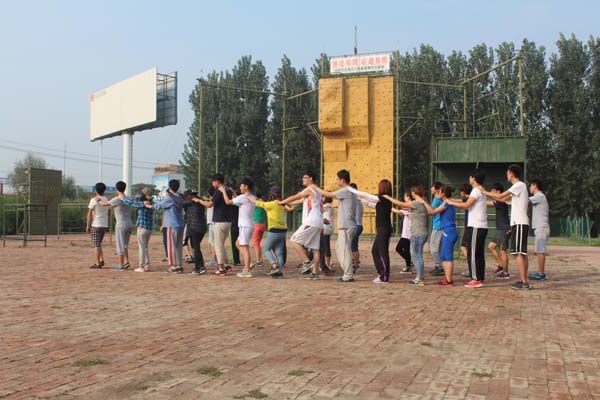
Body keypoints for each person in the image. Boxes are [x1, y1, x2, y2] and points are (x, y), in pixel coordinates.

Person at [482, 165, 530, 290]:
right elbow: (503, 199)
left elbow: (500, 196)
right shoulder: (519, 188)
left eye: (508, 173)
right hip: (519, 223)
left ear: (511, 173)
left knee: (518, 253)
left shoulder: (518, 185)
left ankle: (524, 282)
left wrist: (484, 192)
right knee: (522, 253)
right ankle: (523, 280)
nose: (507, 175)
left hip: (519, 223)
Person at [311, 170, 358, 283]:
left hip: (346, 226)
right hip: (348, 225)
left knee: (344, 250)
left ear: (342, 180)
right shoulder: (351, 191)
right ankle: (348, 272)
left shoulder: (346, 190)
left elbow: (329, 194)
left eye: (337, 179)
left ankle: (348, 275)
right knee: (340, 248)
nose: (337, 181)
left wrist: (315, 187)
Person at [279, 170, 324, 280]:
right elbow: (298, 201)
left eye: (305, 177)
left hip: (311, 221)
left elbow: (295, 196)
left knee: (294, 240)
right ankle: (315, 273)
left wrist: (281, 202)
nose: (303, 179)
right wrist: (284, 203)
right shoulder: (317, 192)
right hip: (318, 222)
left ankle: (307, 262)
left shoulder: (309, 189)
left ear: (311, 178)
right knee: (315, 249)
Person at [447, 171, 488, 288]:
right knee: (479, 254)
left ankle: (475, 278)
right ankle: (480, 277)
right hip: (481, 226)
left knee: (473, 254)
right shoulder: (481, 190)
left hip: (476, 226)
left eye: (470, 177)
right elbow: (465, 202)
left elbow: (466, 205)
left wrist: (450, 202)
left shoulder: (476, 190)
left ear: (473, 178)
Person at [384, 186, 428, 285]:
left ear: (414, 193)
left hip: (417, 233)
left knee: (416, 256)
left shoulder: (416, 203)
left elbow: (400, 204)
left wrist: (388, 198)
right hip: (421, 233)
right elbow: (402, 207)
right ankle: (420, 277)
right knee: (418, 256)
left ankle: (419, 278)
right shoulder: (422, 202)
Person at [351, 180, 394, 283]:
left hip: (384, 229)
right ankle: (381, 273)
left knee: (382, 252)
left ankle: (384, 277)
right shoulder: (381, 201)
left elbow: (369, 197)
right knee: (375, 251)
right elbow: (369, 203)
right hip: (381, 229)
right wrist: (358, 200)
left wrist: (356, 192)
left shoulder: (385, 198)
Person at [417, 185, 458, 286]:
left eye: (438, 192)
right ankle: (447, 278)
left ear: (443, 194)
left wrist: (424, 202)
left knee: (448, 257)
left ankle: (449, 281)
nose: (437, 193)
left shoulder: (447, 203)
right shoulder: (446, 202)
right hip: (446, 230)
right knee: (443, 256)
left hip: (449, 231)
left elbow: (432, 212)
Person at [246, 186, 288, 278]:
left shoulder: (271, 204)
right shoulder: (282, 204)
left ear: (272, 194)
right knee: (279, 252)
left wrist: (248, 197)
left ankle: (274, 265)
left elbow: (257, 202)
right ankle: (279, 272)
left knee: (266, 249)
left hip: (274, 230)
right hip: (283, 231)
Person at [221, 178, 256, 278]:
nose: (240, 187)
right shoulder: (251, 197)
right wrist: (233, 192)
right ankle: (248, 263)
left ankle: (247, 270)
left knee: (244, 247)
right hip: (247, 225)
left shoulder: (243, 197)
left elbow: (228, 202)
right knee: (237, 243)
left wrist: (223, 191)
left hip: (245, 225)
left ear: (246, 187)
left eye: (241, 185)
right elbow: (238, 200)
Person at [95, 181, 132, 271]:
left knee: (120, 245)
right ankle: (126, 261)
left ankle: (121, 264)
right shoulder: (129, 198)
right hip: (129, 223)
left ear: (117, 189)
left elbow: (104, 204)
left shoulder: (117, 199)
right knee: (125, 245)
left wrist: (97, 200)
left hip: (121, 224)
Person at [152, 179, 185, 273]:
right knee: (178, 246)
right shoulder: (180, 197)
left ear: (170, 187)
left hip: (172, 224)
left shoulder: (170, 198)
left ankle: (173, 266)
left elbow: (158, 205)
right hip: (180, 224)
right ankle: (179, 265)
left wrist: (149, 205)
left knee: (171, 246)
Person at [121, 187, 154, 272]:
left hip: (142, 227)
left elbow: (131, 203)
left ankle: (141, 266)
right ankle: (147, 265)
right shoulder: (152, 202)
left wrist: (122, 198)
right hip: (149, 228)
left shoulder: (143, 203)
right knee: (145, 247)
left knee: (142, 247)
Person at [208, 174, 234, 275]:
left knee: (218, 245)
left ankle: (221, 268)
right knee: (221, 244)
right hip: (228, 221)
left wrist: (199, 201)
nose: (212, 184)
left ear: (217, 181)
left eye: (213, 182)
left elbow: (210, 204)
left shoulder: (219, 191)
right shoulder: (228, 190)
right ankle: (227, 265)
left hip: (219, 221)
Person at [183, 189, 212, 275]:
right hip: (201, 228)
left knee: (196, 248)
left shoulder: (191, 202)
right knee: (196, 247)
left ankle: (197, 268)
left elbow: (181, 204)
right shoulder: (200, 201)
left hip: (194, 227)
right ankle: (201, 266)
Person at [487, 183, 510, 279]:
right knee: (491, 246)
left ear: (498, 191)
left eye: (493, 191)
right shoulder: (499, 201)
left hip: (504, 229)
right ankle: (501, 265)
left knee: (503, 250)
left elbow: (488, 204)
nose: (491, 192)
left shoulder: (501, 201)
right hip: (500, 229)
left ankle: (506, 273)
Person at [529, 179, 550, 281]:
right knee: (539, 251)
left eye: (531, 186)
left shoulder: (539, 196)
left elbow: (526, 201)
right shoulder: (538, 197)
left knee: (540, 251)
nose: (530, 188)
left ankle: (541, 274)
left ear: (535, 186)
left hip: (542, 227)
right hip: (540, 227)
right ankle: (540, 272)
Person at [86, 182, 110, 269]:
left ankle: (97, 263)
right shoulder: (106, 199)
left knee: (96, 245)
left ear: (96, 190)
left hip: (96, 224)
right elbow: (109, 212)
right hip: (104, 224)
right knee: (99, 243)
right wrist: (108, 224)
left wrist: (88, 225)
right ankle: (101, 260)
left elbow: (89, 213)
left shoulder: (94, 200)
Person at [395, 192, 413, 274]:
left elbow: (399, 211)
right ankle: (409, 263)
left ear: (408, 197)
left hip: (407, 233)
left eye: (405, 196)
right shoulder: (408, 206)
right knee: (403, 249)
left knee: (401, 249)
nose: (404, 198)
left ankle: (409, 265)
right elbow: (401, 207)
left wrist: (388, 207)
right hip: (405, 233)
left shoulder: (410, 206)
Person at [429, 182, 444, 276]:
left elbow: (431, 212)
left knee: (433, 247)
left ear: (437, 189)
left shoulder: (436, 199)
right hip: (440, 225)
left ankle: (439, 266)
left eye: (432, 187)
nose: (431, 189)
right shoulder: (440, 200)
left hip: (437, 226)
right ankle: (439, 265)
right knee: (438, 247)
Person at [458, 183, 473, 277]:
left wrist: (448, 200)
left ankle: (471, 267)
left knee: (464, 247)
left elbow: (460, 202)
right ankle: (471, 267)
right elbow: (459, 200)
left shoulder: (468, 200)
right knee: (466, 247)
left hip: (469, 227)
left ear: (463, 192)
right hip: (469, 227)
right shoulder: (469, 199)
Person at [349, 183, 363, 274]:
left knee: (352, 246)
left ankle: (355, 264)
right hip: (359, 225)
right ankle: (356, 262)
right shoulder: (359, 202)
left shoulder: (353, 202)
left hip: (355, 226)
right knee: (354, 245)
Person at [252, 190, 267, 268]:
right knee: (258, 243)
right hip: (263, 224)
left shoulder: (257, 202)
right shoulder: (263, 202)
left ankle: (258, 261)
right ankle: (260, 260)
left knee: (256, 243)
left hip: (257, 224)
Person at [320, 197, 335, 274]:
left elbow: (317, 209)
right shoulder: (331, 206)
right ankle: (328, 263)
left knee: (323, 246)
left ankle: (326, 265)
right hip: (330, 227)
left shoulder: (326, 206)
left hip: (325, 227)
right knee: (327, 245)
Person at [205, 187, 218, 266]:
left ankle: (215, 259)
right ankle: (217, 259)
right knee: (216, 242)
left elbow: (208, 202)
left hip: (212, 224)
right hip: (215, 223)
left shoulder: (211, 201)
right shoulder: (216, 200)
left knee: (213, 243)